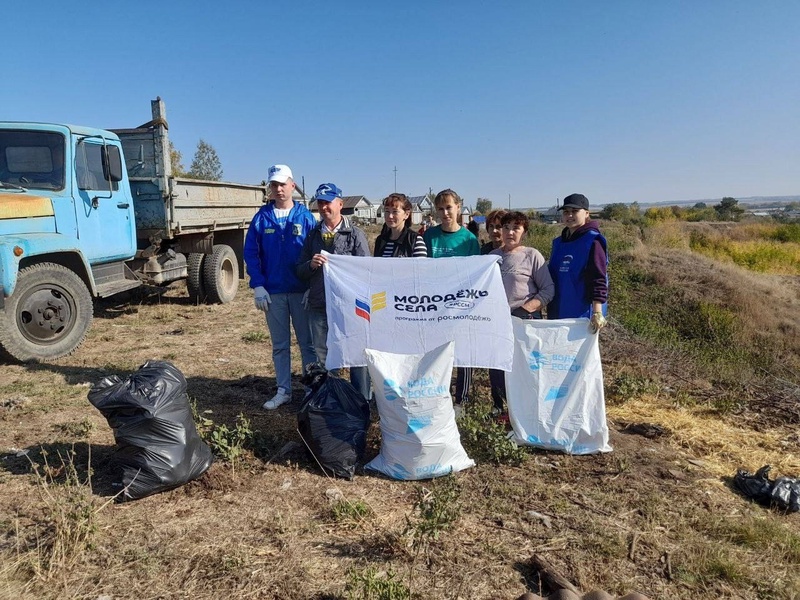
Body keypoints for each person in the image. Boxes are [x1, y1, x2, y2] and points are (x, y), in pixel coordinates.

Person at [244, 164, 317, 410]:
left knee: (307, 344)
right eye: (273, 185)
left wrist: (312, 286)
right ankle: (283, 390)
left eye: (282, 184)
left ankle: (311, 389)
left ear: (292, 186)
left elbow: (315, 254)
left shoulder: (305, 217)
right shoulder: (261, 217)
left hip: (300, 291)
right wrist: (258, 285)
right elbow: (251, 253)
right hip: (273, 292)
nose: (278, 189)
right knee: (280, 345)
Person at [297, 183, 372, 401]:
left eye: (328, 202)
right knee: (324, 357)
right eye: (320, 203)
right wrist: (311, 265)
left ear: (340, 203)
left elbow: (366, 270)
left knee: (357, 355)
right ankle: (329, 401)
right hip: (319, 305)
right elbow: (299, 269)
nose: (324, 207)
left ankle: (362, 400)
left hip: (349, 308)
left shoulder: (355, 235)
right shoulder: (312, 236)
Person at [489, 211, 555, 415]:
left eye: (516, 228)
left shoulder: (532, 255)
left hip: (525, 319)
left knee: (524, 367)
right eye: (506, 227)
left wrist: (526, 310)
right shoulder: (492, 257)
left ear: (524, 232)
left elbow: (548, 289)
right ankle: (499, 407)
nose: (510, 232)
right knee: (498, 365)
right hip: (498, 320)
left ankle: (527, 411)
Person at [423, 189, 480, 408]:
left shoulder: (469, 239)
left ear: (458, 207)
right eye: (440, 209)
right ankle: (440, 395)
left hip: (461, 306)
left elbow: (476, 274)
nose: (445, 213)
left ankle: (461, 401)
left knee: (463, 353)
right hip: (436, 306)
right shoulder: (429, 236)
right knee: (438, 353)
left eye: (449, 207)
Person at [547, 193, 608, 333]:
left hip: (581, 313)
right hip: (558, 309)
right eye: (566, 212)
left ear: (586, 213)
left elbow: (598, 277)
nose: (569, 215)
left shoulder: (593, 241)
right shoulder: (558, 243)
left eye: (574, 211)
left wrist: (597, 312)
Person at [373, 193, 428, 257]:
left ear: (406, 214)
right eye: (387, 211)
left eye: (395, 212)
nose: (390, 216)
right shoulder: (380, 241)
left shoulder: (414, 240)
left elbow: (420, 266)